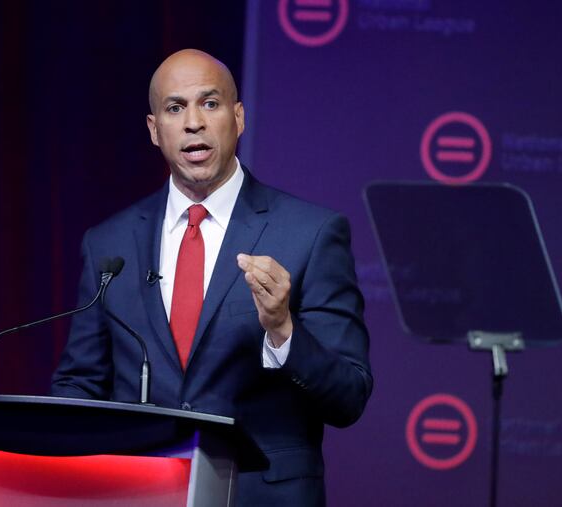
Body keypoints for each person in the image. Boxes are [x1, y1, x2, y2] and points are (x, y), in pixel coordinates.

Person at [51, 49, 372, 506]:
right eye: (175, 108)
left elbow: (349, 396)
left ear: (238, 117)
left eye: (210, 103)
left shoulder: (311, 233)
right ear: (154, 129)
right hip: (138, 493)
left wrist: (283, 331)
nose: (193, 122)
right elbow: (80, 384)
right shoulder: (108, 243)